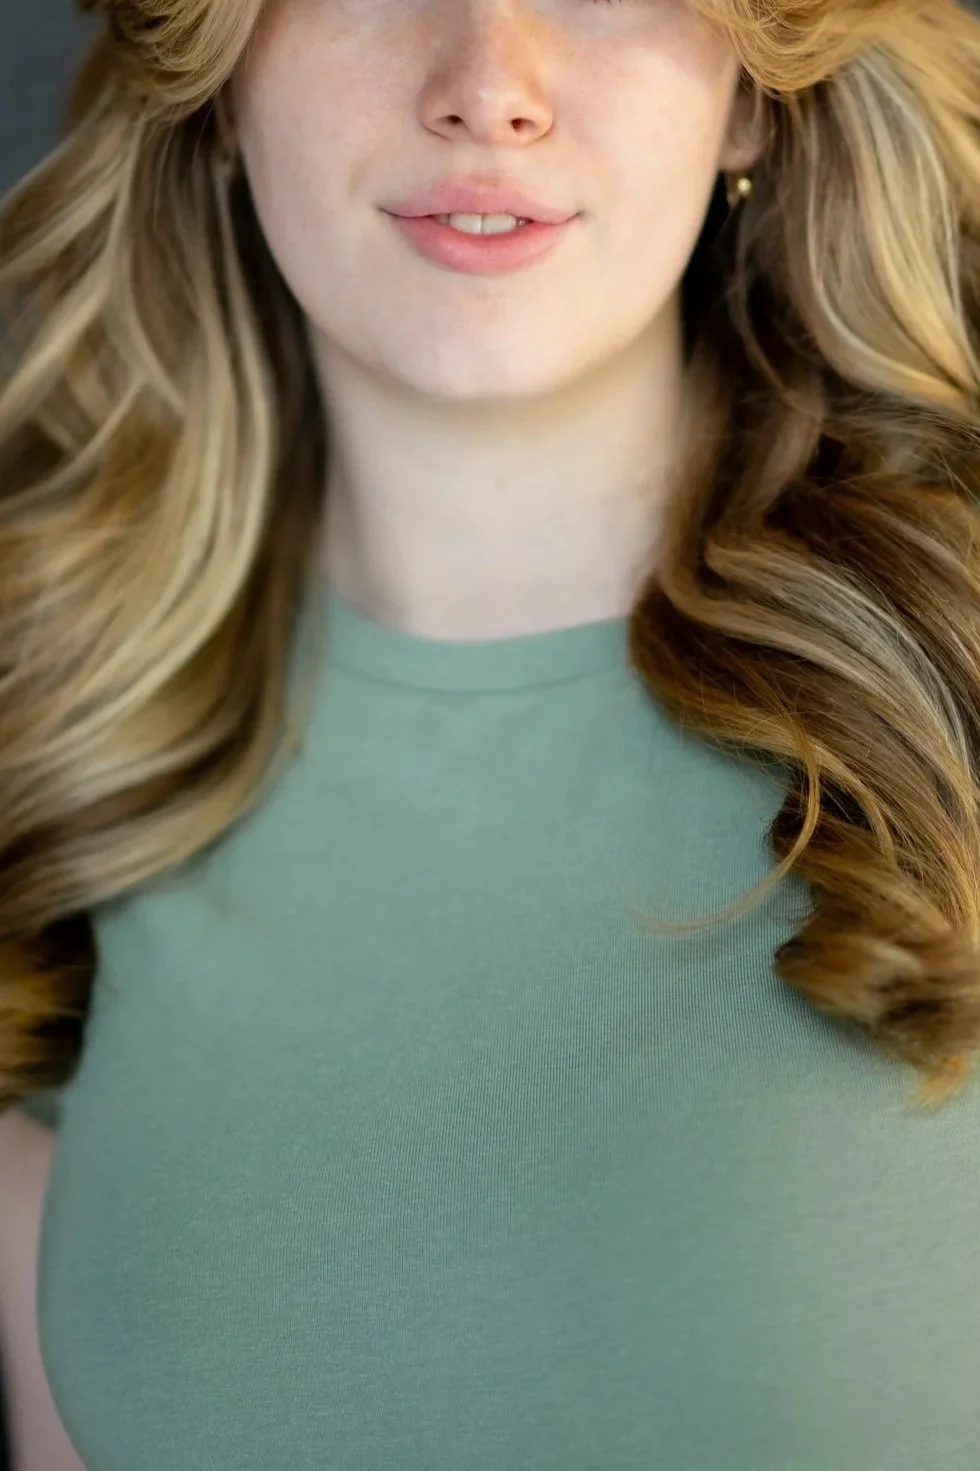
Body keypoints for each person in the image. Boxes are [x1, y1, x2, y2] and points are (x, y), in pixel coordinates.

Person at [1, 0, 980, 1465]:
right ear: (217, 72)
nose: (489, 89)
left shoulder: (950, 714)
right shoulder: (63, 762)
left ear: (750, 95)